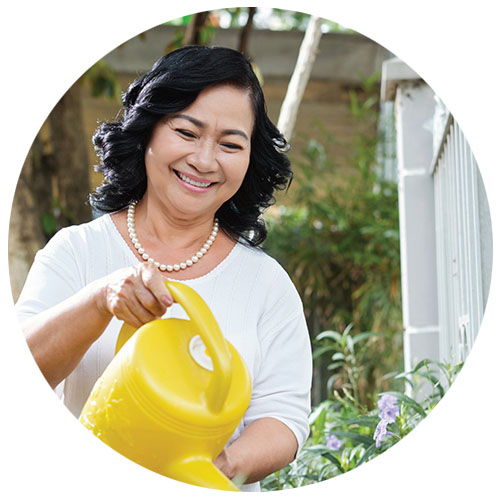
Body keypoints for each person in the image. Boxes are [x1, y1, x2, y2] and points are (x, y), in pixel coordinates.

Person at [15, 45, 312, 492]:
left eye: (230, 144)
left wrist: (214, 464)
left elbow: (284, 418)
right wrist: (100, 302)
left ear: (250, 159)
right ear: (148, 131)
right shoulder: (76, 252)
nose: (205, 160)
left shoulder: (267, 286)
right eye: (187, 133)